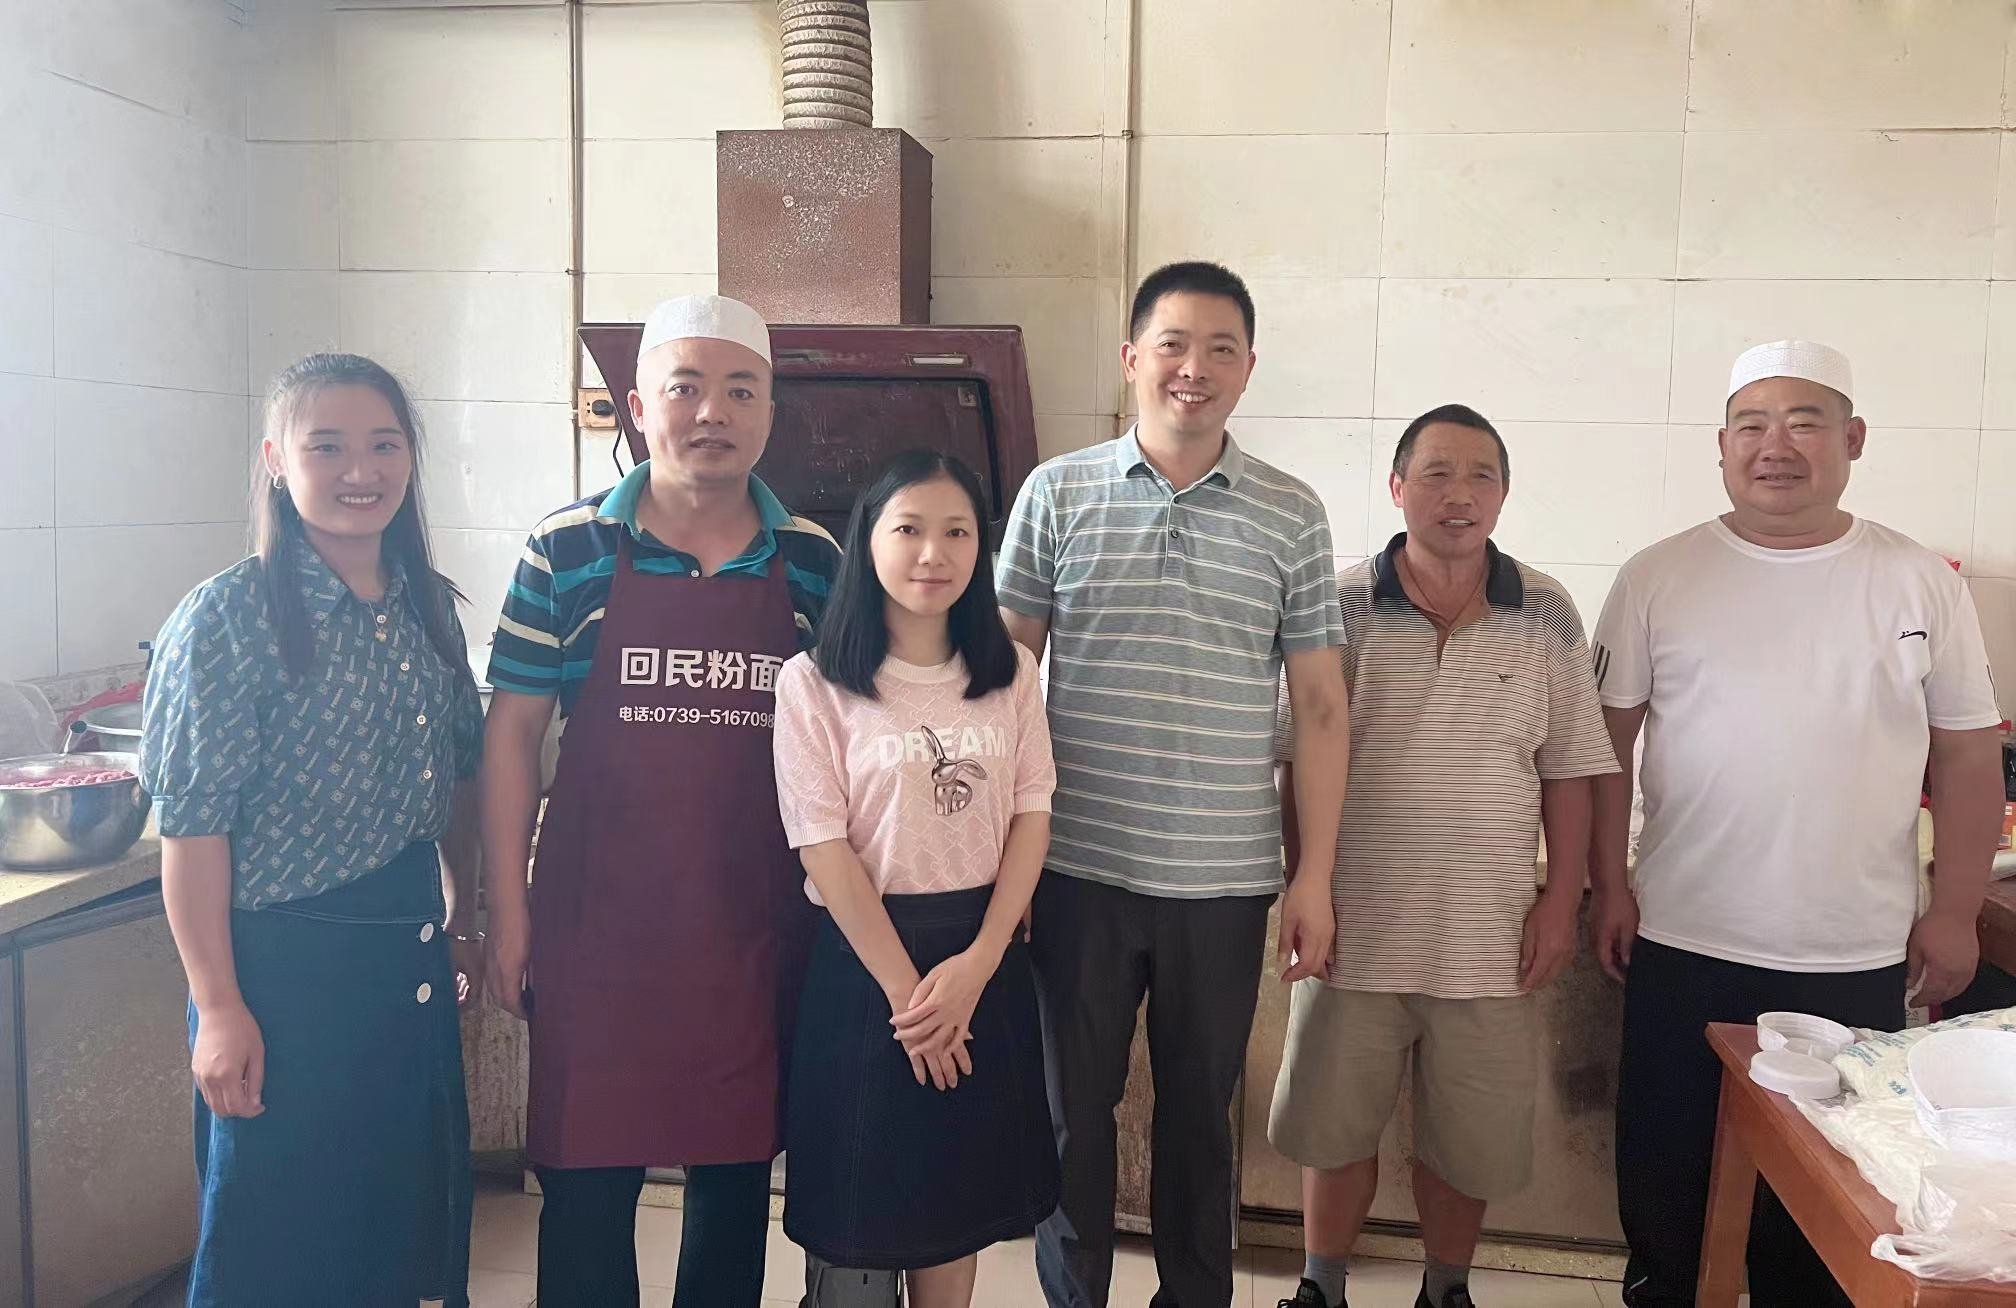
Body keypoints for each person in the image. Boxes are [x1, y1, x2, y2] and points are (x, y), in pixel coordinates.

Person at [1592, 340, 2007, 1307]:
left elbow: (1968, 755)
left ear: (1852, 439)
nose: (1775, 446)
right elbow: (1603, 747)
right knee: (1667, 1179)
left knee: (1828, 1207)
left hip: (1852, 950)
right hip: (1684, 936)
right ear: (1721, 446)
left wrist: (1953, 912)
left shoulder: (1918, 580)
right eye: (1751, 425)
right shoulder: (1659, 575)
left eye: (1804, 422)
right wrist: (1608, 884)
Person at [996, 260, 1351, 1307]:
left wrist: (1313, 877)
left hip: (1223, 881)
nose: (1194, 368)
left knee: (1202, 1119)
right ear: (1131, 359)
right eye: (1173, 344)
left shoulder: (1291, 514)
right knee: (1072, 1118)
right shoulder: (1056, 492)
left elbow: (1321, 708)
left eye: (1220, 349)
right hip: (1076, 868)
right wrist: (1001, 862)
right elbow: (1003, 680)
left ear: (1247, 370)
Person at [480, 295, 841, 1307]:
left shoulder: (814, 559)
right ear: (640, 407)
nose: (712, 412)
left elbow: (843, 746)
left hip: (752, 927)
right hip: (598, 930)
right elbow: (510, 737)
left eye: (740, 390)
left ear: (770, 413)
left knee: (733, 1179)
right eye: (686, 388)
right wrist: (507, 911)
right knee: (587, 1183)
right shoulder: (566, 548)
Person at [141, 353, 484, 1307]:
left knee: (392, 1227)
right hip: (280, 976)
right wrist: (218, 1006)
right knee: (277, 1239)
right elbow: (193, 831)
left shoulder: (427, 605)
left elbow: (461, 777)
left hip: (406, 955)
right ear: (276, 460)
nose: (359, 471)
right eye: (326, 446)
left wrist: (464, 918)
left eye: (384, 445)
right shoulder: (227, 617)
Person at [1270, 408, 1618, 1308]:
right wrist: (1307, 888)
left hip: (1488, 935)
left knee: (1468, 1141)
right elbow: (1297, 759)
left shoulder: (1545, 610)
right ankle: (1321, 1287)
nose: (1458, 494)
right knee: (1332, 1129)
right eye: (1435, 473)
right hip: (1354, 927)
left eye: (1479, 475)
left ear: (1503, 493)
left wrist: (1560, 902)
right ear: (1396, 488)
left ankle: (1446, 1290)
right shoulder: (1340, 604)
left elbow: (1571, 767)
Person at [772, 449, 1060, 1308]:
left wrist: (980, 965)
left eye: (957, 532)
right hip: (867, 970)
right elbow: (823, 847)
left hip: (980, 958)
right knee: (859, 1219)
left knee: (952, 1210)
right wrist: (913, 1003)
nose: (933, 553)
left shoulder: (1010, 673)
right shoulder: (814, 683)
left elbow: (1032, 816)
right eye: (909, 529)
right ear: (869, 541)